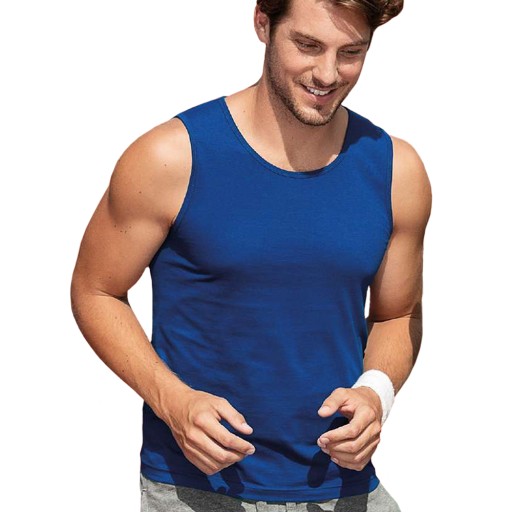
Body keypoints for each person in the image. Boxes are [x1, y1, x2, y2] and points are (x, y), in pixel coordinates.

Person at [71, 0, 432, 510]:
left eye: (351, 53)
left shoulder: (398, 170)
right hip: (199, 488)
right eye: (308, 45)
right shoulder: (169, 157)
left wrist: (377, 392)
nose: (328, 74)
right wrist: (172, 401)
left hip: (343, 485)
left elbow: (398, 314)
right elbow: (96, 290)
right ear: (263, 23)